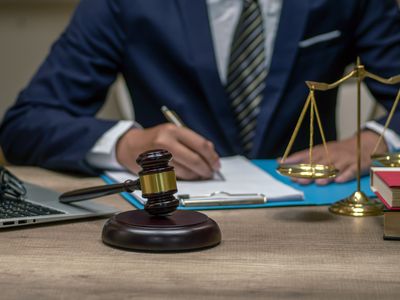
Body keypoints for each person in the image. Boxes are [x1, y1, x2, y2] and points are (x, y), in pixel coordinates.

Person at [0, 0, 399, 184]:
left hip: (317, 213)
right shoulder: (123, 5)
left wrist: (375, 141)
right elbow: (25, 122)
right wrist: (126, 143)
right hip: (175, 227)